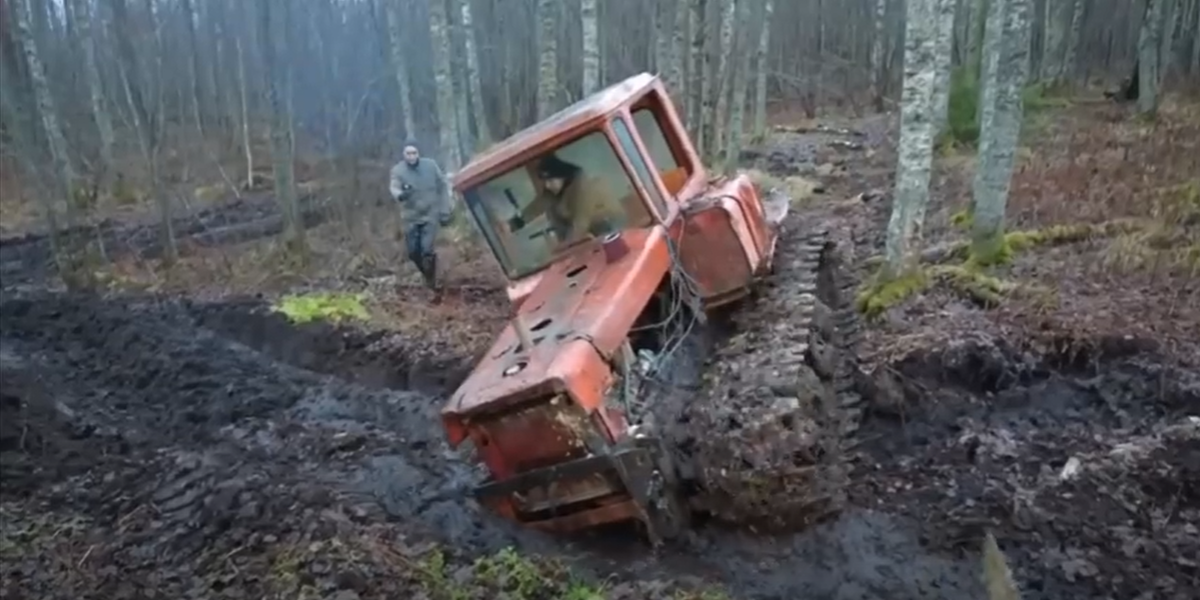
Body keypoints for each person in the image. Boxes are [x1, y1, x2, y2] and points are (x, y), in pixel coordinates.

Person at [507, 154, 622, 245]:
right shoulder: (555, 190)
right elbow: (538, 206)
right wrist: (515, 223)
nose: (547, 185)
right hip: (589, 234)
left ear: (563, 177)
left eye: (550, 181)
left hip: (610, 228)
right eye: (545, 182)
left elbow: (581, 222)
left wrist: (568, 247)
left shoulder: (583, 188)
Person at [389, 141, 453, 291]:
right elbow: (394, 187)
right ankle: (427, 274)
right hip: (410, 217)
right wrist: (401, 195)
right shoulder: (398, 171)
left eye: (414, 153)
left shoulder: (430, 166)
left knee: (426, 250)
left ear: (419, 154)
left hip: (430, 213)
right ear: (403, 155)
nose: (411, 157)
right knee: (413, 253)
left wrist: (445, 209)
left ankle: (432, 282)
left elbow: (442, 185)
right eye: (408, 154)